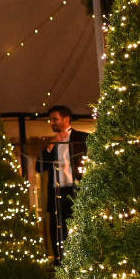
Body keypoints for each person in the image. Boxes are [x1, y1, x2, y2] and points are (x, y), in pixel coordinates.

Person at [35, 105, 88, 261]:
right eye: (50, 120)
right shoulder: (51, 142)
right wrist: (51, 144)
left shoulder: (82, 138)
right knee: (57, 230)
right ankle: (60, 262)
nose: (52, 123)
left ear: (66, 119)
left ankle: (80, 261)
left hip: (76, 190)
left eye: (55, 119)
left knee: (78, 227)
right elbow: (39, 166)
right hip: (57, 192)